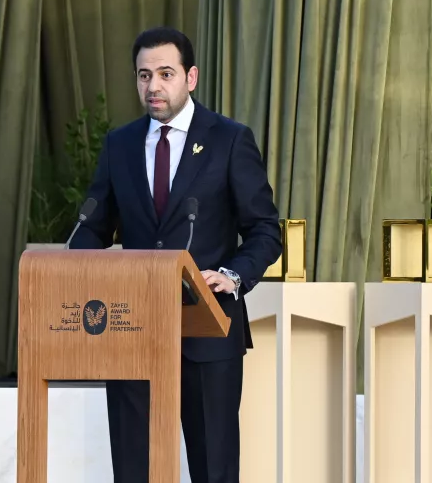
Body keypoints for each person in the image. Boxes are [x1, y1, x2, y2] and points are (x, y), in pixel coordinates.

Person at [67, 26, 283, 483]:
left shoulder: (229, 140)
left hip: (208, 329)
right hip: (131, 329)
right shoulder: (120, 145)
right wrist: (74, 268)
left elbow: (265, 230)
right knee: (134, 469)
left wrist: (233, 275)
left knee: (213, 469)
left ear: (191, 77)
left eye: (166, 74)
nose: (154, 85)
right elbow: (94, 228)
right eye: (144, 75)